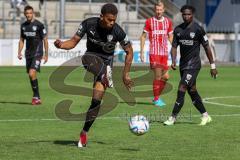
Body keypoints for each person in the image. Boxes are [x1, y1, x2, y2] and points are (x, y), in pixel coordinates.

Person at [54, 3, 133, 148]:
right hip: (91, 57)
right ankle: (104, 75)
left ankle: (84, 132)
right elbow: (73, 42)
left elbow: (129, 51)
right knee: (87, 59)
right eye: (109, 20)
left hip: (106, 63)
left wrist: (125, 74)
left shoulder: (118, 31)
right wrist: (61, 45)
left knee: (96, 101)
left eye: (114, 20)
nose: (112, 23)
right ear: (101, 16)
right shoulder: (88, 24)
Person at [163, 5, 218, 126]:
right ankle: (206, 115)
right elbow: (173, 47)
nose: (186, 16)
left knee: (182, 87)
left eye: (188, 14)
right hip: (183, 65)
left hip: (194, 65)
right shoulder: (178, 30)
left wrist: (212, 66)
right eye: (184, 14)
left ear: (192, 15)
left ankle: (172, 118)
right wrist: (173, 61)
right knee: (192, 91)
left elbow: (207, 47)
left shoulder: (198, 29)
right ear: (181, 15)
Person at [140, 2, 173, 107]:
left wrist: (175, 49)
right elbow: (143, 37)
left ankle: (156, 97)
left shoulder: (168, 22)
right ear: (155, 10)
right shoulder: (149, 21)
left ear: (164, 10)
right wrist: (141, 51)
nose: (158, 12)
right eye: (157, 10)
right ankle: (157, 99)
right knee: (158, 76)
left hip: (164, 53)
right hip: (154, 52)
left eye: (160, 9)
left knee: (166, 76)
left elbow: (170, 36)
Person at [18, 5, 48, 105]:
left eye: (30, 13)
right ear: (24, 14)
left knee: (31, 73)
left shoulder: (39, 25)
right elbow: (22, 40)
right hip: (28, 54)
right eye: (27, 13)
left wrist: (46, 54)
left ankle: (36, 96)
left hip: (37, 53)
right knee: (31, 76)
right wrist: (19, 51)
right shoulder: (23, 26)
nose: (28, 15)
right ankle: (37, 97)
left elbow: (45, 40)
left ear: (33, 13)